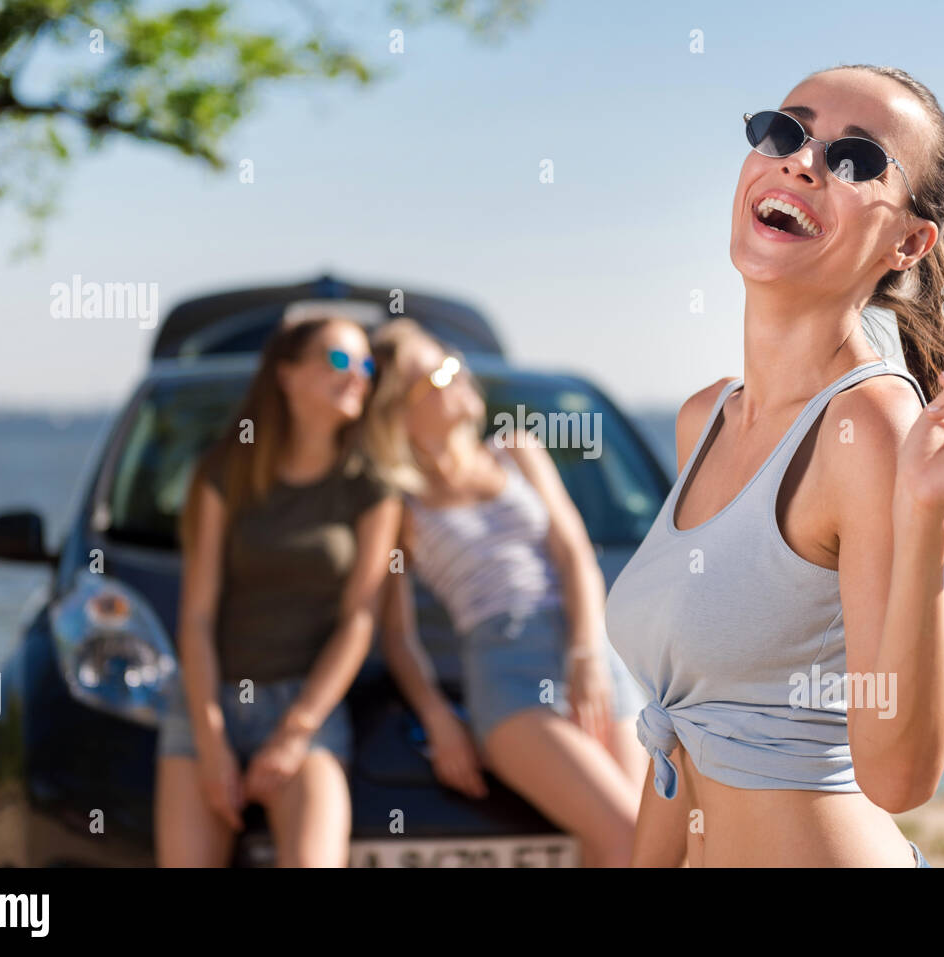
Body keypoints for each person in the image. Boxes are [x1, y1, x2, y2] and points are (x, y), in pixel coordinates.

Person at [604, 64, 944, 867]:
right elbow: (680, 735)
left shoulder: (871, 426)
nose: (802, 161)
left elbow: (899, 776)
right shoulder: (705, 417)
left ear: (909, 242)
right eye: (785, 132)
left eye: (856, 158)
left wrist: (924, 522)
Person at [363, 318, 649, 867]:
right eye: (437, 374)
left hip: (590, 650)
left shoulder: (516, 450)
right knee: (630, 834)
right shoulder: (400, 504)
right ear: (401, 409)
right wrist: (439, 718)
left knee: (630, 846)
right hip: (507, 670)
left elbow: (575, 555)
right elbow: (396, 635)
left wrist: (586, 654)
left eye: (451, 361)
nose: (458, 373)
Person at [155, 312, 401, 867]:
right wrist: (211, 739)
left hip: (305, 705)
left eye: (366, 364)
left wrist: (296, 732)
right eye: (340, 359)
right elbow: (196, 615)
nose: (358, 374)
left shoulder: (371, 488)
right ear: (286, 375)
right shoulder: (226, 471)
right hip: (206, 700)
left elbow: (359, 621)